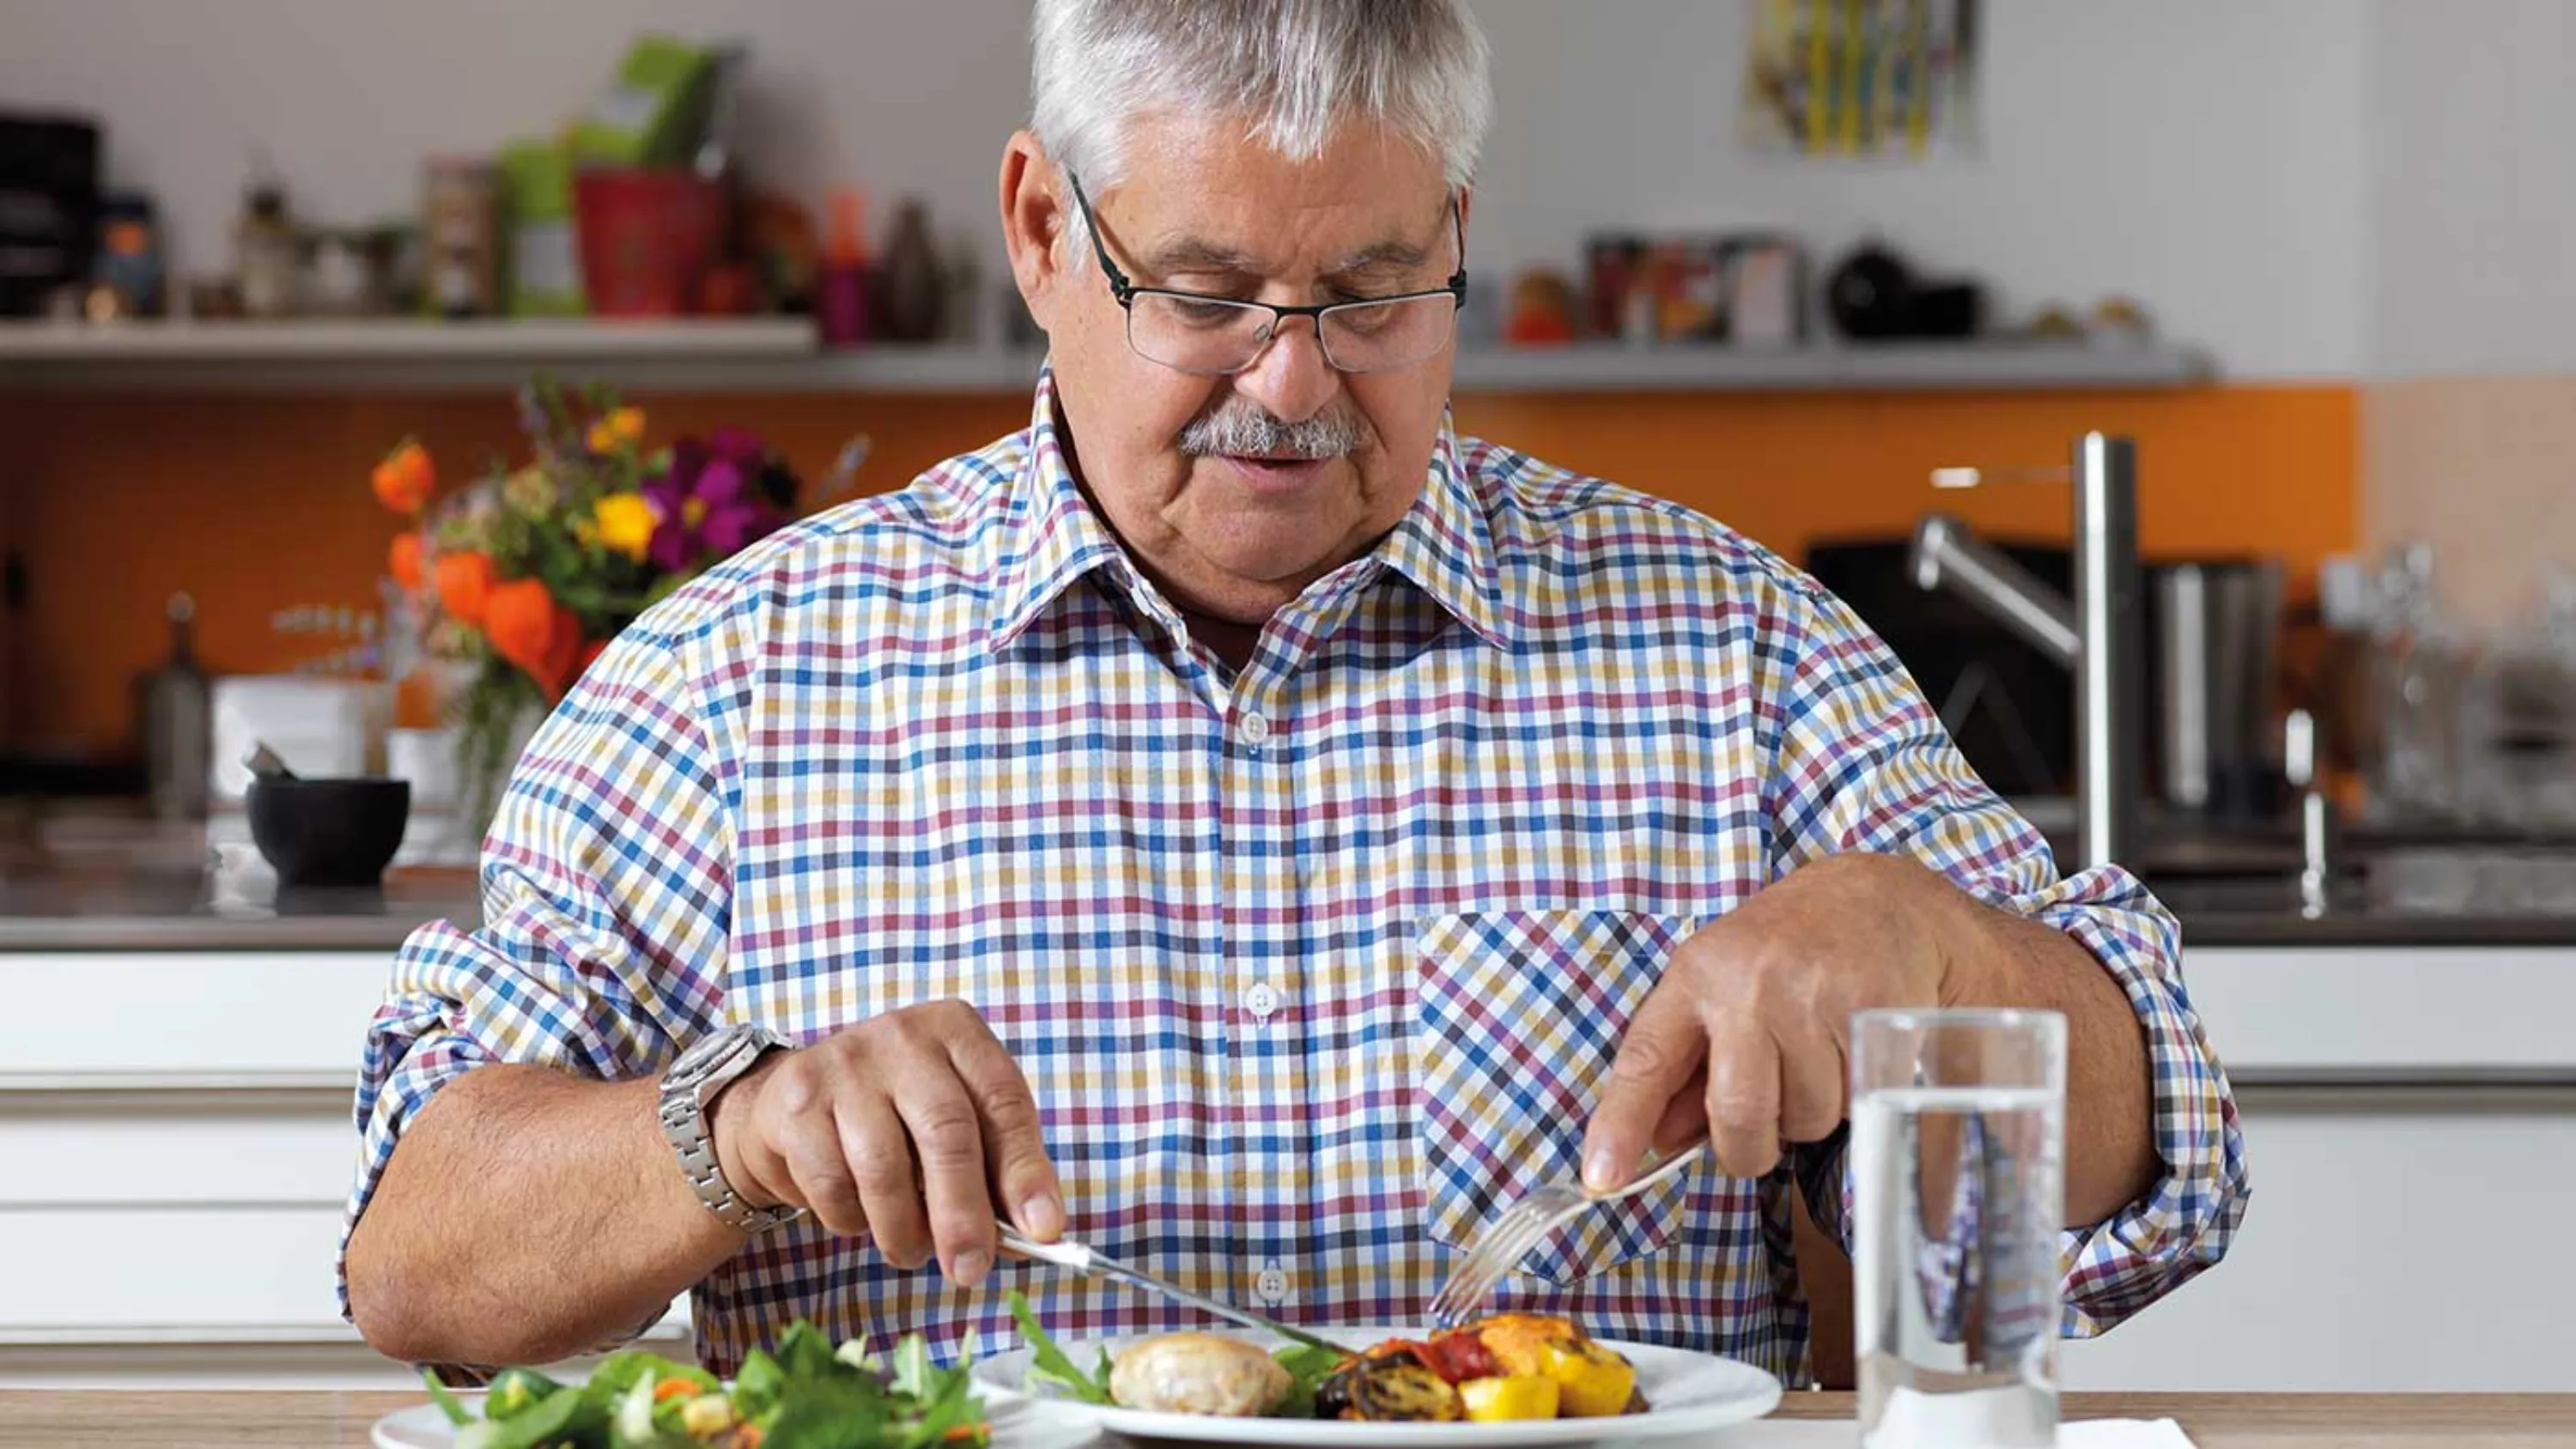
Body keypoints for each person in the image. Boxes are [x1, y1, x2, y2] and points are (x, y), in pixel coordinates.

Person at [343, 0, 2246, 1385]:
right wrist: (724, 1129)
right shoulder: (725, 686)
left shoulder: (1737, 653)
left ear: (1462, 243)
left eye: (1373, 292)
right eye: (1205, 290)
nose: (1292, 383)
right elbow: (421, 1263)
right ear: (1038, 233)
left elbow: (2160, 1158)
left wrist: (1937, 952)